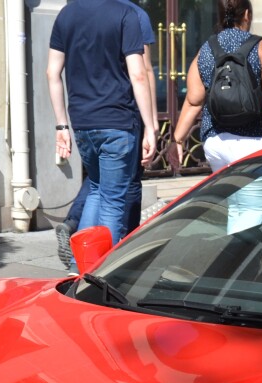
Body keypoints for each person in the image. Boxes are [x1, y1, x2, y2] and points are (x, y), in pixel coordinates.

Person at [54, 1, 158, 270]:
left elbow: (52, 73)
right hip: (117, 122)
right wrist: (150, 126)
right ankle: (97, 273)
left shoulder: (67, 14)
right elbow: (139, 74)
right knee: (112, 202)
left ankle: (79, 268)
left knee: (97, 191)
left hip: (83, 123)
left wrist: (61, 125)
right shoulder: (126, 14)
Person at [169, 0, 262, 173]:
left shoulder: (207, 49)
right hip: (254, 141)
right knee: (256, 200)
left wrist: (177, 140)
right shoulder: (261, 47)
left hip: (216, 143)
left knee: (227, 197)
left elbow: (193, 101)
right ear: (246, 15)